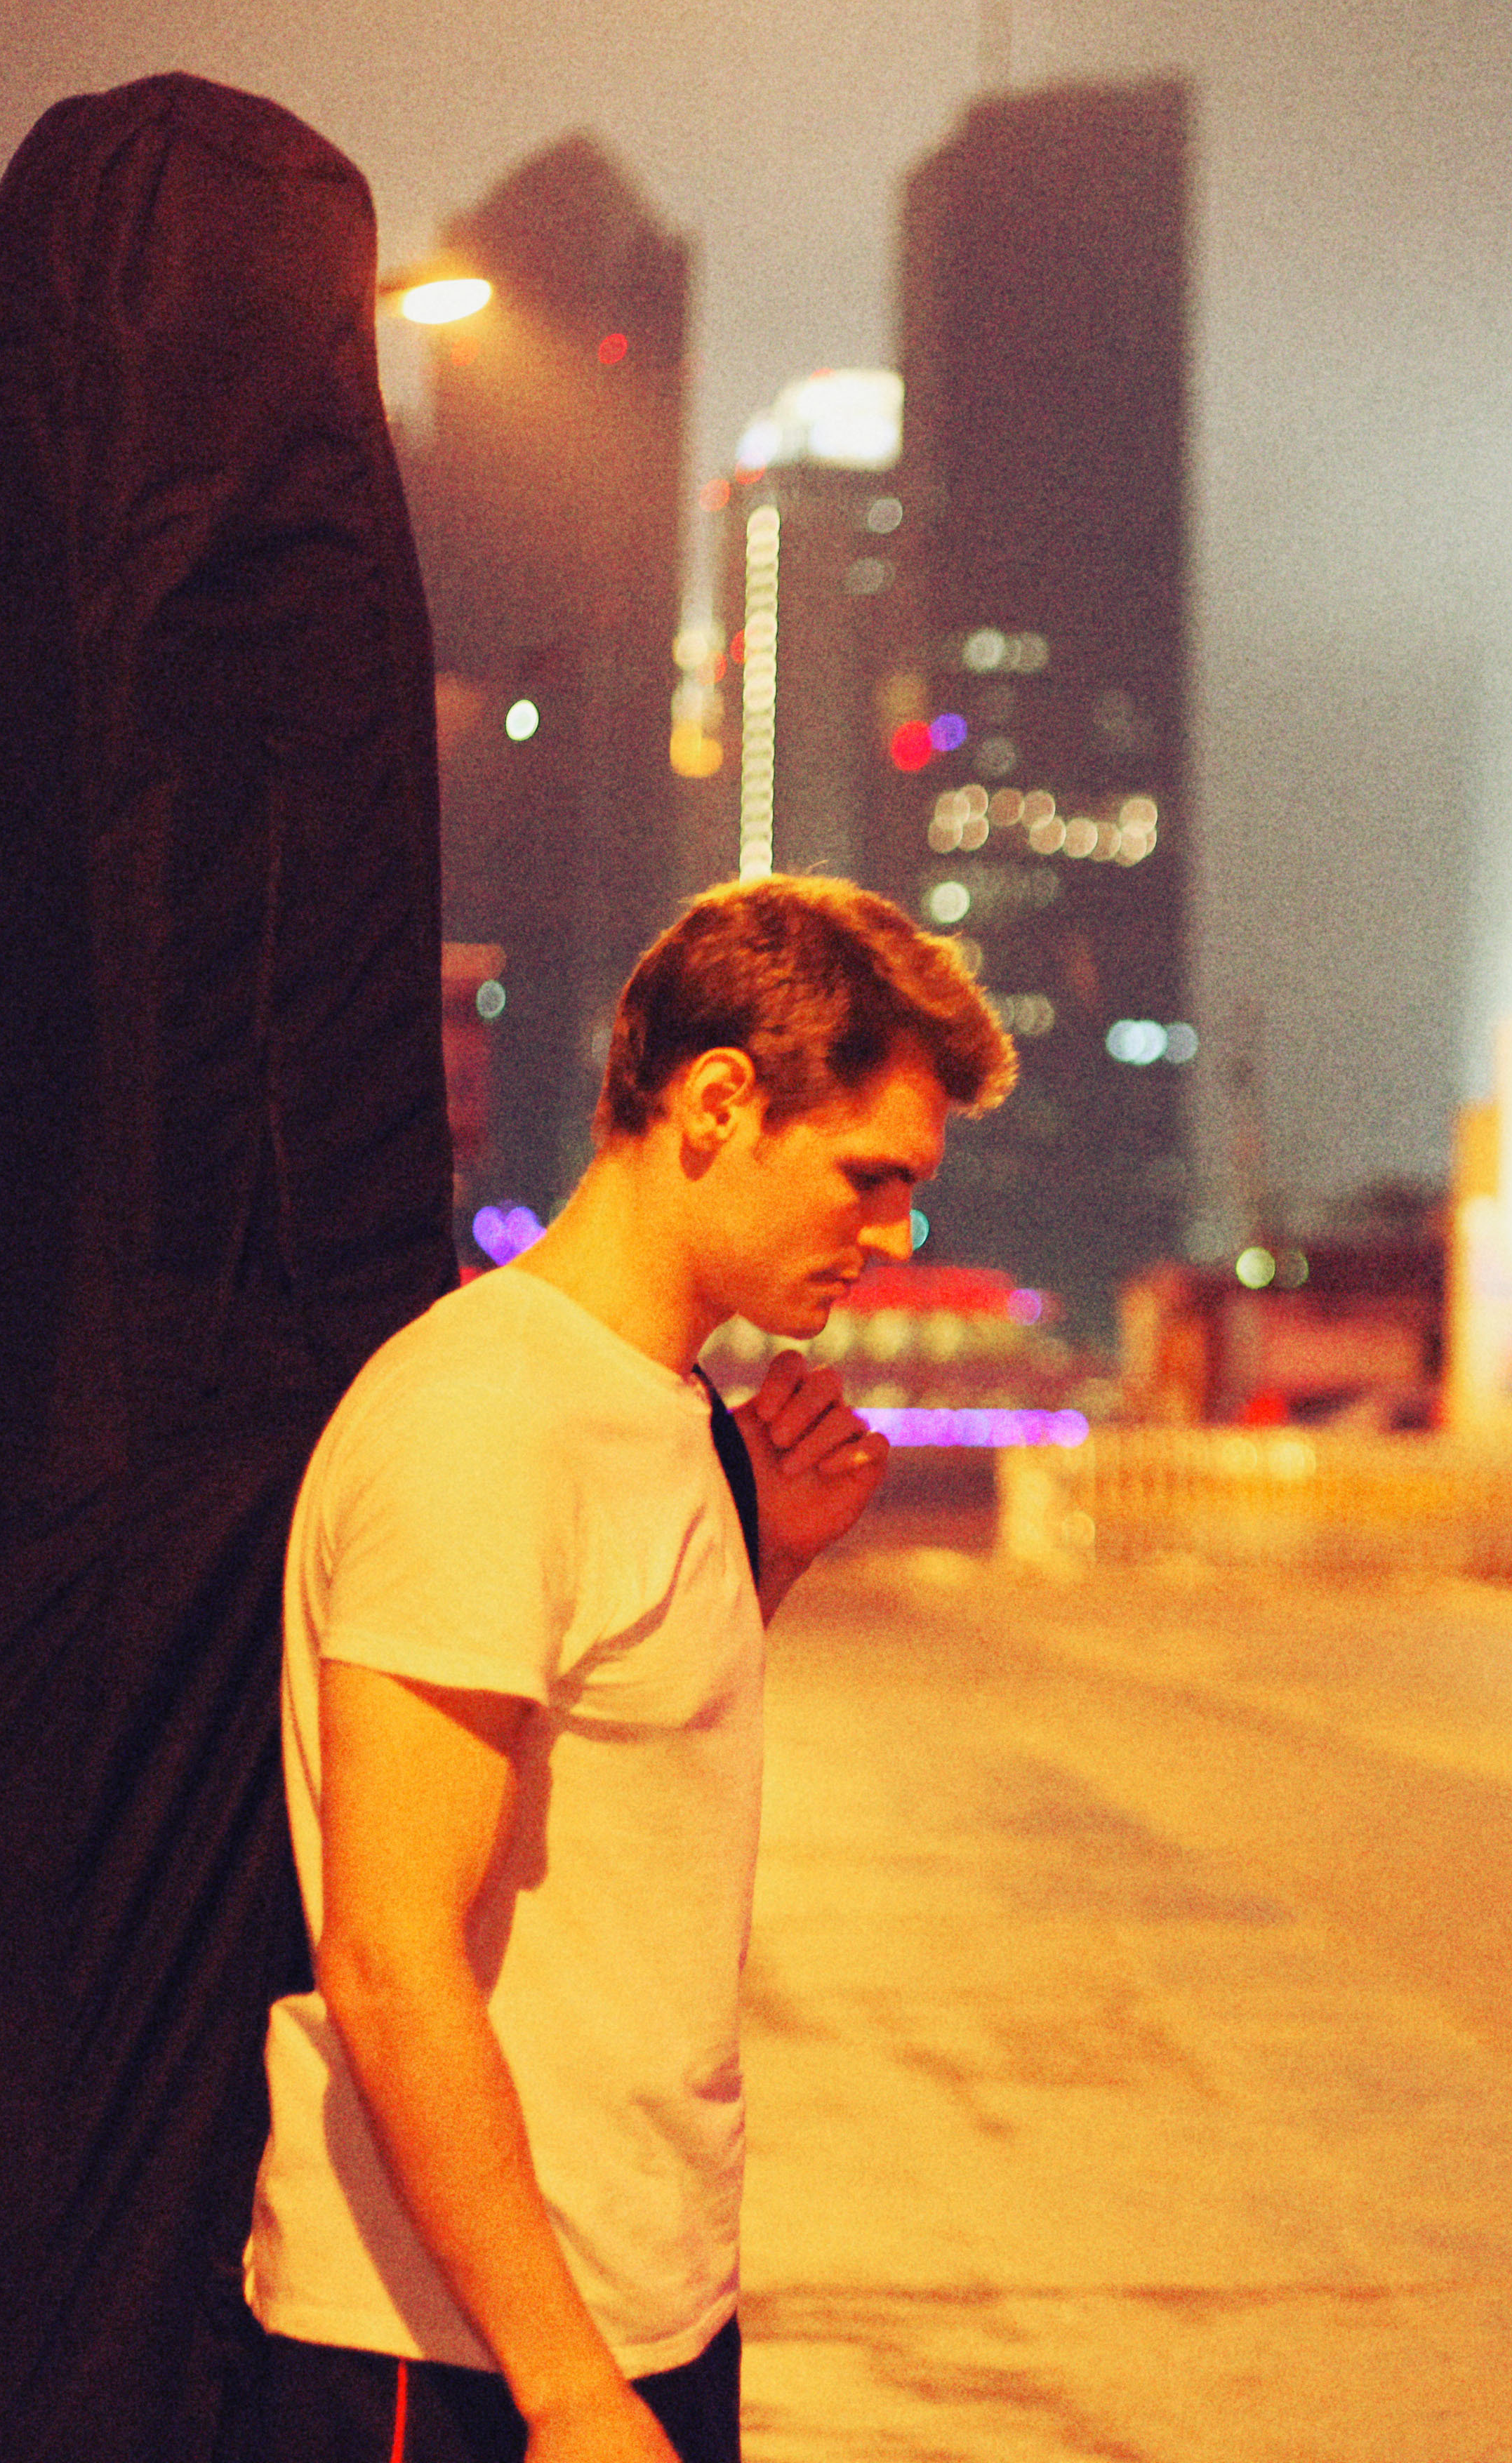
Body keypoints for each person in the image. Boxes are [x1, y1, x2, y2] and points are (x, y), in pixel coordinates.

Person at [244, 875, 1014, 2463]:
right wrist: (567, 2388)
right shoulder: (486, 1425)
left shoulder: (653, 1410)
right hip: (451, 2353)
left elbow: (594, 1787)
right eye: (870, 1177)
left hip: (630, 2307)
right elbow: (389, 1955)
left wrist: (765, 1561)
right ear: (719, 1101)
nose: (895, 1234)